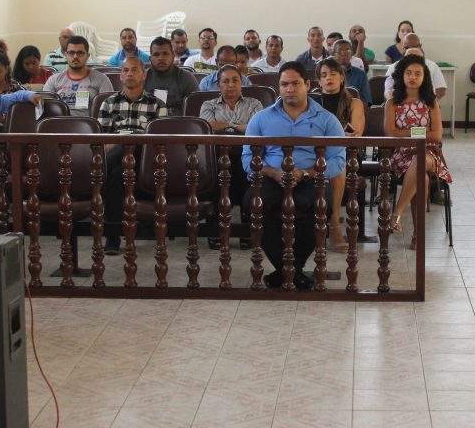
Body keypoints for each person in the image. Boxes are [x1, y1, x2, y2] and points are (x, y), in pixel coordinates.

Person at [242, 61, 346, 290]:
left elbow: (338, 160)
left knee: (321, 206)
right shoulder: (261, 118)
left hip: (310, 178)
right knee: (253, 204)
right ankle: (293, 271)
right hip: (271, 177)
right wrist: (273, 172)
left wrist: (307, 173)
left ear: (307, 85)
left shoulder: (327, 119)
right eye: (284, 84)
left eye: (295, 83)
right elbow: (247, 157)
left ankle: (285, 271)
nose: (289, 89)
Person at [98, 56, 168, 255]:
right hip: (117, 157)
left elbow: (159, 143)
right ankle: (113, 235)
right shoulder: (108, 103)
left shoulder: (157, 104)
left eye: (134, 70)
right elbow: (103, 141)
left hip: (146, 158)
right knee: (116, 175)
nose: (129, 74)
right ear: (120, 76)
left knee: (129, 146)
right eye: (125, 70)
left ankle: (99, 171)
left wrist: (128, 141)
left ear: (143, 75)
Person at [385, 54, 452, 251]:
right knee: (421, 179)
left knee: (421, 159)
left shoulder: (431, 102)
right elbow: (390, 133)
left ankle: (397, 213)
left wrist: (407, 133)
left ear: (424, 77)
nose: (413, 77)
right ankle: (417, 234)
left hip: (430, 152)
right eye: (408, 73)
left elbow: (436, 135)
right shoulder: (392, 103)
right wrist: (422, 132)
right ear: (401, 75)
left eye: (417, 73)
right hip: (401, 154)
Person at [200, 64, 264, 248]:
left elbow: (258, 128)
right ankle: (216, 230)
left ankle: (247, 230)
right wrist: (239, 127)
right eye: (225, 81)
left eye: (235, 80)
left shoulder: (255, 103)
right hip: (216, 154)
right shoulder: (209, 104)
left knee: (246, 171)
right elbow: (207, 126)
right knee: (217, 172)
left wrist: (225, 125)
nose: (231, 85)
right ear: (218, 85)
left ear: (241, 83)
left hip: (248, 153)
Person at [311, 58, 365, 251]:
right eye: (324, 75)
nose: (329, 78)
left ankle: (333, 223)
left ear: (342, 77)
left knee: (338, 166)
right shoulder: (312, 102)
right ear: (319, 81)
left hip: (347, 153)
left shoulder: (354, 102)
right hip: (315, 152)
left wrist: (334, 135)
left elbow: (356, 133)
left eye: (333, 74)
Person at [42, 36, 113, 115]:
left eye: (80, 53)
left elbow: (109, 109)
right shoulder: (53, 80)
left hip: (89, 122)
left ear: (87, 56)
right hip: (60, 122)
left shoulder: (102, 79)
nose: (75, 56)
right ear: (66, 55)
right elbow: (45, 109)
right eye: (71, 53)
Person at [383, 33, 447, 103]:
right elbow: (388, 91)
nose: (413, 77)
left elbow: (441, 89)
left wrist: (429, 103)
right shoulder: (394, 67)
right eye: (408, 73)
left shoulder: (432, 66)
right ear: (403, 48)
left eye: (418, 74)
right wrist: (401, 104)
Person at [144, 36, 198, 116]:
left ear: (173, 56)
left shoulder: (187, 79)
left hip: (180, 123)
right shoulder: (141, 78)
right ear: (150, 58)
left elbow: (194, 112)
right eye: (156, 54)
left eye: (165, 54)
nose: (161, 58)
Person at [332, 40, 372, 104]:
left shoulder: (361, 74)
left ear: (351, 54)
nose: (343, 53)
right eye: (339, 51)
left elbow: (366, 101)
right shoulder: (328, 74)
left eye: (347, 50)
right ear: (333, 54)